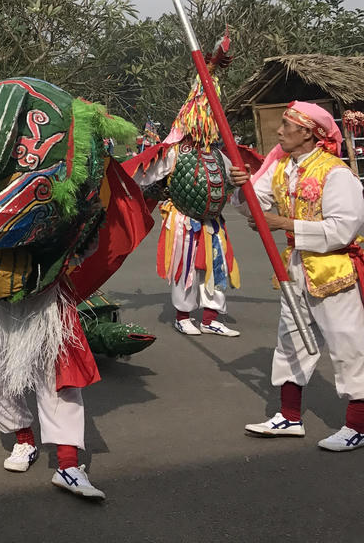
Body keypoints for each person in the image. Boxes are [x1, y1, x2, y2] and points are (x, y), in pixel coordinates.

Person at [230, 102, 364, 451]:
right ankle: (289, 417)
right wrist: (242, 186)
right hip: (296, 269)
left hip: (335, 271)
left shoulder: (336, 173)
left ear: (308, 131)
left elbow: (343, 229)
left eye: (286, 125)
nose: (279, 131)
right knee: (291, 342)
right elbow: (252, 206)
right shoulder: (280, 169)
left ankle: (358, 425)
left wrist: (284, 224)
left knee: (348, 345)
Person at [127, 38, 244, 337]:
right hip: (183, 221)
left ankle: (210, 318)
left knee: (216, 267)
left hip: (213, 222)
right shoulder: (175, 152)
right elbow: (143, 174)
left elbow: (240, 187)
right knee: (187, 269)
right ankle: (182, 316)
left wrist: (246, 193)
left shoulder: (222, 153)